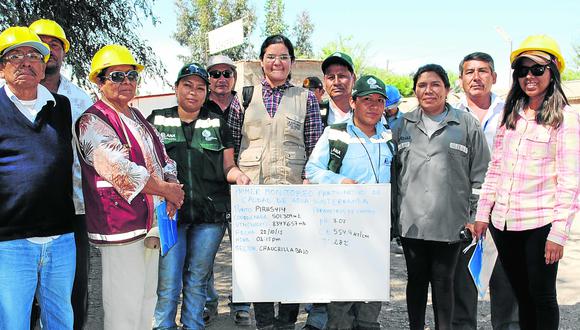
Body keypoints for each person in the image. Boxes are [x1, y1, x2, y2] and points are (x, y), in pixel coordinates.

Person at [474, 35, 580, 330]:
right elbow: (495, 169)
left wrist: (559, 233)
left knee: (542, 297)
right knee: (521, 294)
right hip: (504, 223)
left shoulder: (565, 119)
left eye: (537, 69)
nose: (529, 76)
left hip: (540, 223)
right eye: (522, 70)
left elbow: (571, 180)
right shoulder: (511, 115)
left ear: (553, 71)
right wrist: (483, 214)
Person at [75, 44, 184, 330]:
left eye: (131, 76)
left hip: (149, 223)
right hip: (119, 227)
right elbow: (120, 170)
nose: (126, 82)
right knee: (123, 307)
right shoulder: (92, 120)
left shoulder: (137, 117)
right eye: (117, 76)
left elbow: (164, 157)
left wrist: (171, 185)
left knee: (146, 301)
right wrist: (165, 190)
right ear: (99, 82)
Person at [228, 34, 323, 330]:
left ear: (292, 62)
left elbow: (315, 147)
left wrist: (309, 182)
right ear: (261, 61)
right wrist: (236, 175)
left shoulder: (305, 98)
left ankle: (287, 322)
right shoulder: (242, 98)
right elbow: (229, 147)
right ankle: (265, 323)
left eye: (283, 57)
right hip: (253, 196)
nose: (277, 62)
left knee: (293, 262)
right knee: (260, 263)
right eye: (271, 56)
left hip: (293, 195)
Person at [148, 62, 251, 330]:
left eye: (200, 88)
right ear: (176, 88)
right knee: (169, 280)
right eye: (187, 85)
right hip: (170, 216)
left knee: (197, 279)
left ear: (206, 93)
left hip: (210, 217)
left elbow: (228, 166)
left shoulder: (217, 123)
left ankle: (193, 325)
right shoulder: (156, 120)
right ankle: (163, 326)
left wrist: (239, 176)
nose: (193, 92)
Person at [392, 64, 490, 330]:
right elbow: (393, 173)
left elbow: (481, 173)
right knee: (415, 282)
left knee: (444, 283)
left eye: (435, 84)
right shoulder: (402, 125)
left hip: (451, 223)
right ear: (415, 91)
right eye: (422, 85)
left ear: (447, 89)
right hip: (411, 222)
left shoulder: (466, 124)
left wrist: (474, 216)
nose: (429, 90)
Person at [0, 26, 76, 329]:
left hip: (61, 239)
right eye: (14, 55)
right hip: (10, 242)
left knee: (61, 320)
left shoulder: (62, 107)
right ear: (2, 66)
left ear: (44, 66)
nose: (25, 62)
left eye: (34, 55)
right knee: (13, 323)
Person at [305, 75, 393, 330]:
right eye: (367, 100)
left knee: (371, 294)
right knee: (342, 295)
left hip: (377, 228)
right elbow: (313, 170)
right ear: (354, 102)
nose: (374, 106)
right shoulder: (335, 134)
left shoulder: (387, 136)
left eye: (379, 101)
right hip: (343, 226)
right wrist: (339, 182)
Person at [28, 18, 94, 330]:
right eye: (42, 42)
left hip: (74, 209)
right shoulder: (6, 96)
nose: (50, 49)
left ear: (64, 53)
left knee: (72, 293)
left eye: (56, 44)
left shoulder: (81, 99)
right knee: (21, 297)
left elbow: (95, 155)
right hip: (19, 212)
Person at [453, 52, 519, 330]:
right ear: (460, 79)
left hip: (505, 211)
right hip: (460, 213)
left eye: (483, 71)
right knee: (461, 289)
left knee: (507, 289)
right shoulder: (451, 115)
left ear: (494, 77)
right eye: (469, 72)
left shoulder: (513, 112)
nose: (476, 77)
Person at [203, 54, 253, 326]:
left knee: (243, 250)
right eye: (215, 74)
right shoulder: (199, 105)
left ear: (234, 77)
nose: (221, 79)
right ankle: (208, 302)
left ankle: (242, 303)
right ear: (208, 79)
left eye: (226, 73)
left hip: (241, 185)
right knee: (205, 251)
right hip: (208, 187)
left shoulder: (247, 104)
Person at [319, 52, 356, 126]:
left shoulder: (366, 112)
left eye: (342, 76)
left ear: (354, 79)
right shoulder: (315, 112)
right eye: (331, 77)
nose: (336, 82)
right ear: (325, 81)